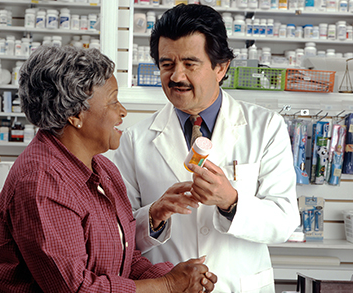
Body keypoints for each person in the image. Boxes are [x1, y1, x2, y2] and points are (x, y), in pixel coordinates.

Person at [0, 46, 218, 292]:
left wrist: (178, 276)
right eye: (112, 101)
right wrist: (168, 285)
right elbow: (77, 288)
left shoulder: (103, 169)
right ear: (75, 115)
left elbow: (123, 258)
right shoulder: (41, 182)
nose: (122, 111)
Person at [113, 4, 299, 293]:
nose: (176, 76)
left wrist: (231, 201)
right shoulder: (135, 140)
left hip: (238, 285)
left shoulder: (266, 127)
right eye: (166, 64)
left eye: (190, 63)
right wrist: (153, 216)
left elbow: (284, 222)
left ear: (220, 67)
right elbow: (117, 233)